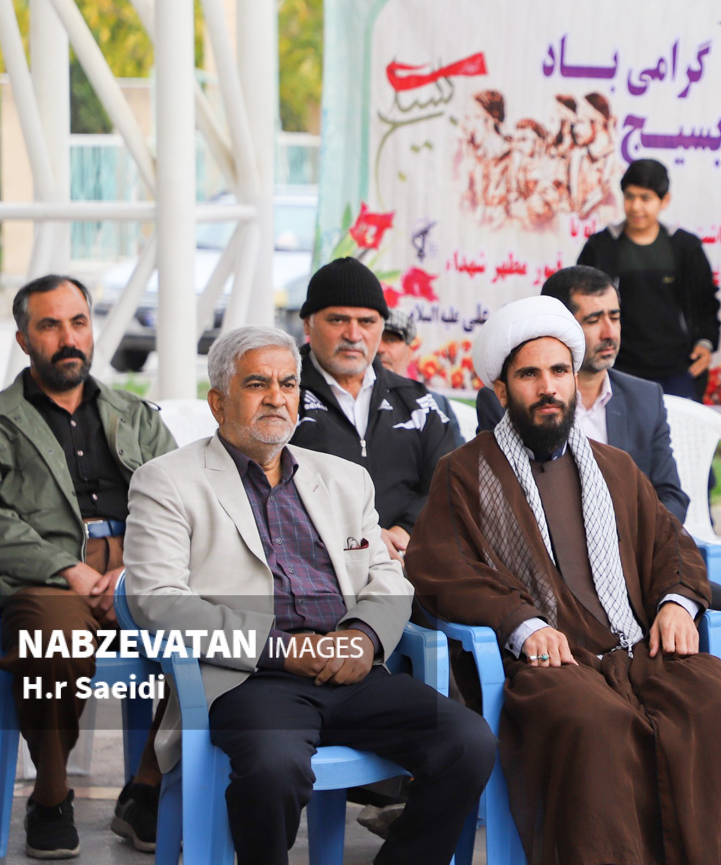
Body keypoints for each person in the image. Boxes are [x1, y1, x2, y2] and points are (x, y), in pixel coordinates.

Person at [407, 296, 721, 865]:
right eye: (530, 375)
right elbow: (442, 569)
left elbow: (673, 545)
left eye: (559, 371)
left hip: (640, 649)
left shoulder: (615, 467)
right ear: (501, 390)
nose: (548, 388)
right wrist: (521, 622)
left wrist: (675, 603)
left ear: (574, 379)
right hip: (544, 666)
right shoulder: (466, 473)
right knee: (598, 728)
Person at [121, 327, 496, 865]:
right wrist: (284, 650)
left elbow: (388, 577)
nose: (277, 397)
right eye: (257, 384)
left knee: (468, 742)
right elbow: (158, 600)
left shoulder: (344, 479)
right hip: (251, 678)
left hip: (351, 671)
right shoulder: (167, 481)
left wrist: (363, 639)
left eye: (289, 384)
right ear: (218, 402)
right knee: (273, 767)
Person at [475, 266, 721, 659]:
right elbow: (503, 495)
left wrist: (628, 541)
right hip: (553, 566)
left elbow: (670, 494)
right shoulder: (516, 400)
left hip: (636, 559)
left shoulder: (644, 397)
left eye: (615, 316)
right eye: (593, 320)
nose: (609, 332)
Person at [0, 274, 177, 858]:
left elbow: (185, 499)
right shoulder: (2, 420)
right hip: (46, 581)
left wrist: (135, 569)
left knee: (220, 629)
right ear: (24, 340)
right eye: (50, 325)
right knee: (53, 641)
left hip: (141, 573)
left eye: (78, 322)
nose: (68, 338)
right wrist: (67, 569)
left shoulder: (136, 415)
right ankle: (51, 796)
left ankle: (145, 788)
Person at [290, 257, 457, 565]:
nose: (354, 335)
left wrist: (405, 531)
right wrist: (365, 536)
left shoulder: (416, 402)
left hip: (408, 562)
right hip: (314, 568)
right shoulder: (284, 397)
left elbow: (450, 481)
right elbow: (266, 490)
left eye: (367, 322)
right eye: (338, 320)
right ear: (307, 324)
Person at [577, 158, 721, 400]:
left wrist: (705, 343)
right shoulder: (600, 246)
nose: (636, 207)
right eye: (629, 197)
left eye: (645, 198)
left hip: (678, 369)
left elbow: (706, 302)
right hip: (616, 367)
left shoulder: (685, 247)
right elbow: (580, 303)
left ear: (665, 201)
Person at [376, 308, 466, 454]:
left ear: (409, 353)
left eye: (391, 340)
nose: (380, 349)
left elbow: (457, 461)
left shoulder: (436, 405)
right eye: (375, 338)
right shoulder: (348, 400)